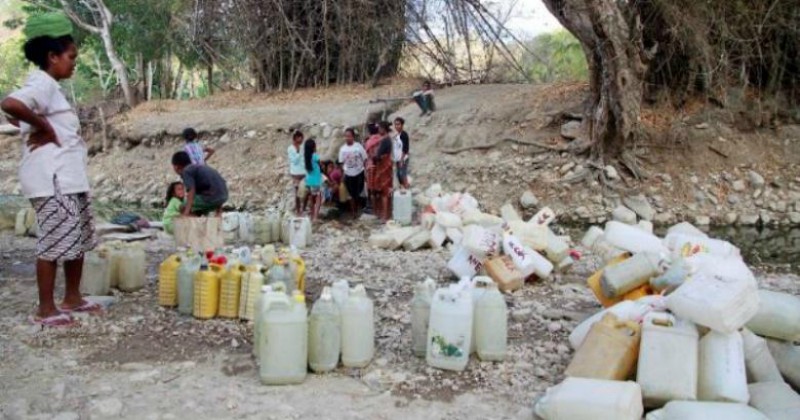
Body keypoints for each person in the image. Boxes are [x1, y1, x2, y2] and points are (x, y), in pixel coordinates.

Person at [0, 12, 100, 326]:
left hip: (69, 178)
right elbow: (10, 104)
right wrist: (41, 124)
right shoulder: (41, 82)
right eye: (70, 57)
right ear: (52, 56)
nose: (73, 63)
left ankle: (72, 298)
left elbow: (18, 117)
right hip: (52, 179)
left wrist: (33, 125)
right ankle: (46, 308)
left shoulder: (52, 87)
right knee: (55, 241)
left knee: (77, 238)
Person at [171, 151, 228, 216]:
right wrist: (219, 210)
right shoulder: (199, 167)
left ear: (176, 167)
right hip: (223, 196)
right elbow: (218, 185)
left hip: (211, 198)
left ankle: (190, 224)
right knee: (196, 205)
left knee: (183, 206)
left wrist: (186, 212)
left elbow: (191, 191)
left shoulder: (186, 171)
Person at [338, 127, 368, 219]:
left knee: (358, 192)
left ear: (353, 137)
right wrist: (343, 173)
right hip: (348, 174)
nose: (347, 138)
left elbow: (365, 159)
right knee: (350, 194)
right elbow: (341, 162)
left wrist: (365, 171)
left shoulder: (358, 146)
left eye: (349, 136)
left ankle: (359, 209)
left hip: (359, 172)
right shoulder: (342, 149)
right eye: (346, 136)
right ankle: (353, 212)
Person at [370, 121, 395, 222]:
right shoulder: (387, 139)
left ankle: (384, 216)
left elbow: (378, 155)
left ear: (383, 129)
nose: (378, 130)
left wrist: (373, 156)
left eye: (380, 128)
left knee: (384, 192)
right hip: (386, 166)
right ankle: (387, 214)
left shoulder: (385, 140)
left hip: (383, 167)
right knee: (386, 192)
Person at [287, 130, 307, 215]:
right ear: (295, 139)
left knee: (306, 191)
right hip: (295, 173)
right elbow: (294, 161)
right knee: (297, 192)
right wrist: (298, 152)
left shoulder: (303, 147)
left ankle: (304, 208)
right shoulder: (290, 149)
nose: (301, 140)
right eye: (300, 138)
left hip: (304, 172)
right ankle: (298, 209)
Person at [303, 138, 322, 221]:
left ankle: (311, 215)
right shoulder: (315, 156)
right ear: (313, 147)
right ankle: (315, 217)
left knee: (311, 198)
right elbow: (320, 163)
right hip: (316, 180)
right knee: (318, 198)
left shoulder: (306, 158)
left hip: (308, 181)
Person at [393, 117, 410, 189]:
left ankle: (406, 188)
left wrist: (401, 160)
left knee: (403, 174)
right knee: (398, 175)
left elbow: (405, 148)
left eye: (398, 124)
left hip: (402, 159)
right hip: (397, 159)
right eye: (395, 124)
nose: (397, 126)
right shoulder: (397, 135)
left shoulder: (404, 135)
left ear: (402, 125)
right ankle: (402, 188)